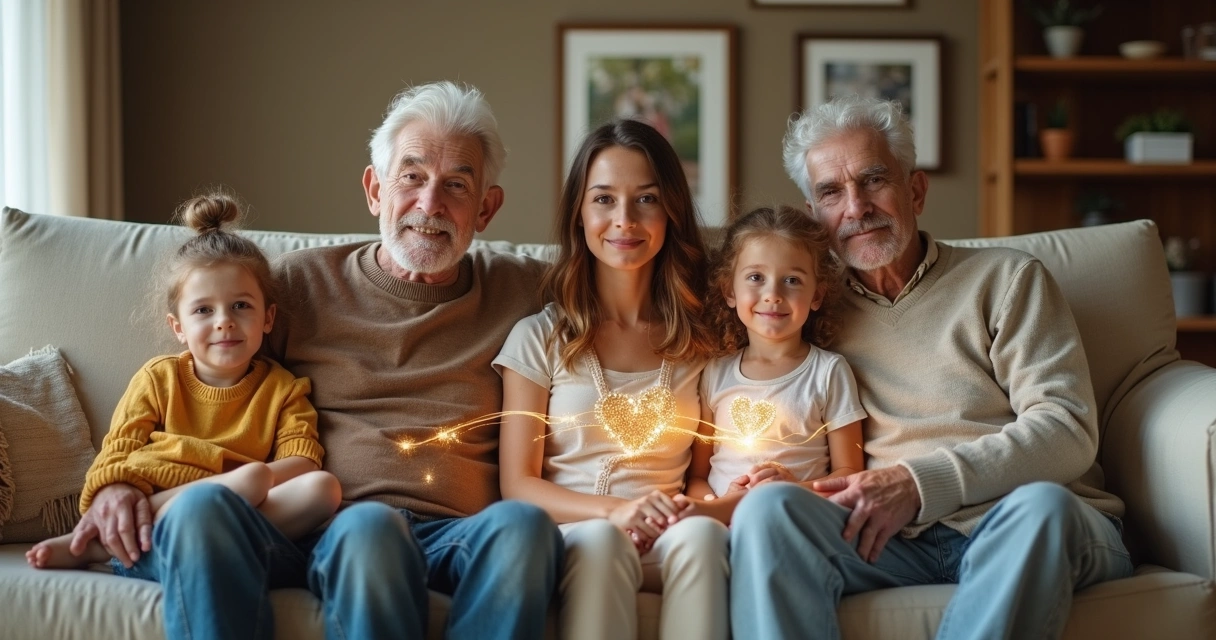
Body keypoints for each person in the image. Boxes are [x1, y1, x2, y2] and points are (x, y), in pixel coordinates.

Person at [67, 81, 563, 640]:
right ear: (375, 189)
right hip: (320, 529)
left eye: (456, 185)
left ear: (487, 207)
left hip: (459, 532)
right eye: (412, 176)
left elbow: (633, 293)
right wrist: (122, 483)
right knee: (366, 527)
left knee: (525, 527)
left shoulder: (529, 291)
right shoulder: (297, 286)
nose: (430, 204)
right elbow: (202, 388)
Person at [729, 95, 1132, 640]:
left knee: (1041, 509)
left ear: (915, 189)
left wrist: (916, 484)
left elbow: (1065, 429)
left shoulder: (1007, 279)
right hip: (889, 538)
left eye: (874, 181)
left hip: (1021, 520)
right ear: (813, 215)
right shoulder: (808, 307)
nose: (856, 207)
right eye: (831, 192)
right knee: (768, 511)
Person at [495, 119, 727, 640]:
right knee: (602, 541)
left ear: (670, 211)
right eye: (603, 199)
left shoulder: (703, 340)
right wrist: (616, 511)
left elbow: (705, 470)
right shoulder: (539, 338)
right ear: (579, 213)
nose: (624, 220)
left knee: (706, 539)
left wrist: (711, 499)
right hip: (578, 531)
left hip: (670, 530)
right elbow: (518, 485)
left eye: (646, 199)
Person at [28, 193, 341, 572]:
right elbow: (116, 454)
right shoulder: (159, 377)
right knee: (252, 479)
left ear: (268, 318)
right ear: (178, 327)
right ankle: (98, 544)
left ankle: (175, 541)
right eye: (203, 310)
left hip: (239, 508)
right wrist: (113, 492)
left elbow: (305, 462)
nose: (224, 321)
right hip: (164, 501)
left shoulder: (284, 389)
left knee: (323, 489)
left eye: (241, 306)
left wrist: (248, 479)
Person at [686, 205, 865, 523]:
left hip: (793, 517)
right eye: (756, 277)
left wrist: (792, 488)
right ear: (729, 290)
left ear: (816, 295)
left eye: (792, 280)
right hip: (720, 524)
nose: (772, 294)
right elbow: (697, 478)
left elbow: (849, 473)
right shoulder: (715, 372)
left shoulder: (828, 373)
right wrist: (719, 501)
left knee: (765, 505)